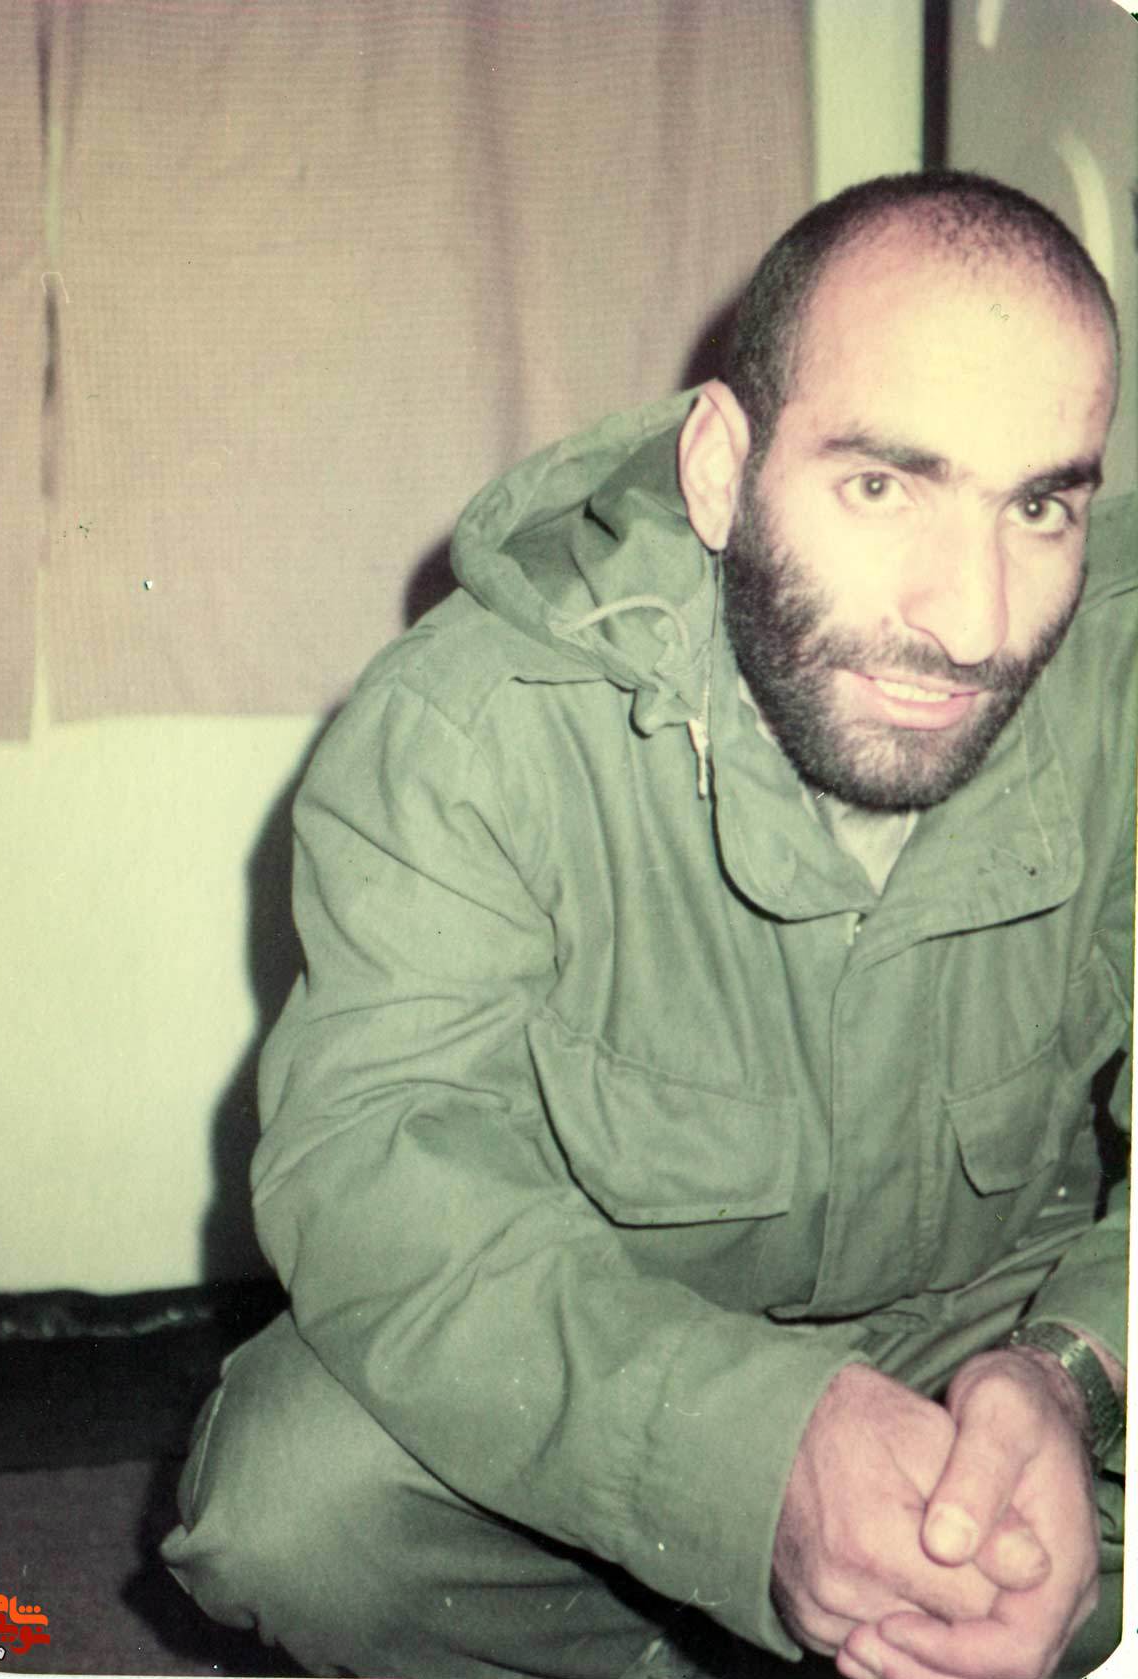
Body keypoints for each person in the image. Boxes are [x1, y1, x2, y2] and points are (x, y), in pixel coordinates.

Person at [162, 171, 1133, 1679]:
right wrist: (749, 1462)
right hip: (628, 1352)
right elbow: (377, 1163)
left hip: (1006, 1333)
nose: (974, 622)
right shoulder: (470, 728)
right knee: (292, 1507)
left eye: (1039, 506)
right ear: (720, 470)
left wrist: (1069, 1375)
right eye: (884, 486)